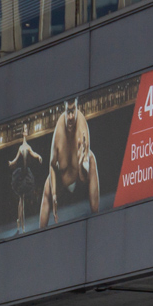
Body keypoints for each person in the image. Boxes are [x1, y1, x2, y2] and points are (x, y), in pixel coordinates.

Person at [40, 98, 100, 228]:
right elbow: (51, 165)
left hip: (79, 177)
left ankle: (97, 218)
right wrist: (54, 195)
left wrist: (81, 164)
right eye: (68, 112)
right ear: (64, 110)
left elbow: (84, 178)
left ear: (77, 108)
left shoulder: (83, 129)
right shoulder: (58, 131)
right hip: (63, 179)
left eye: (73, 112)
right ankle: (38, 235)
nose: (71, 117)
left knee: (92, 159)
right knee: (47, 187)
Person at [7, 125, 43, 234]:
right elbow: (16, 159)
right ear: (23, 133)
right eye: (25, 130)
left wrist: (39, 157)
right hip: (21, 176)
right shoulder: (22, 148)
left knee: (21, 200)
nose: (27, 131)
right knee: (21, 200)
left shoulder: (26, 147)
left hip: (25, 175)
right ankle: (20, 225)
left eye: (27, 129)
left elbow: (33, 153)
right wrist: (11, 163)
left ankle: (20, 223)